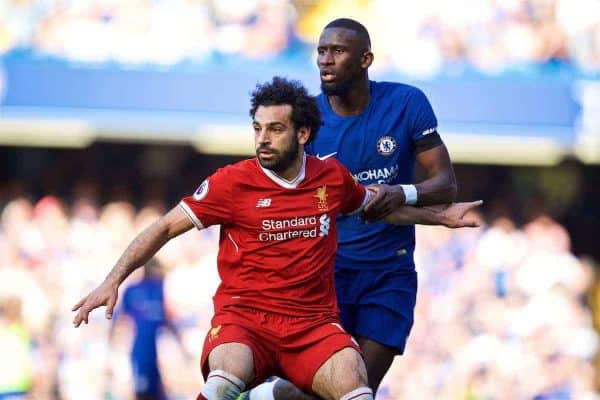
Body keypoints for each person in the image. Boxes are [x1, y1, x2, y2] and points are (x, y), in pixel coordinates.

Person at [72, 77, 479, 400]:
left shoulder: (331, 178)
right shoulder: (231, 183)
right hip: (245, 321)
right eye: (258, 128)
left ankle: (268, 395)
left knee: (357, 387)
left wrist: (441, 218)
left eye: (276, 129)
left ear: (303, 134)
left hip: (312, 326)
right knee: (224, 380)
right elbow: (162, 227)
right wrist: (112, 281)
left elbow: (378, 206)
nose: (263, 138)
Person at [246, 18, 460, 399]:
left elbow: (445, 184)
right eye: (322, 51)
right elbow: (280, 197)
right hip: (327, 276)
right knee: (338, 390)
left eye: (338, 51)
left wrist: (403, 193)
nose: (326, 60)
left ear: (365, 59)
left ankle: (268, 395)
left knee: (358, 389)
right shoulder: (305, 121)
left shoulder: (406, 103)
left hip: (389, 274)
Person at [107, 258, 187, 400]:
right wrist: (113, 343)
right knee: (143, 391)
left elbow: (168, 319)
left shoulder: (160, 288)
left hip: (157, 352)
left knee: (158, 390)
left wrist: (180, 343)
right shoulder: (133, 290)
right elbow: (118, 319)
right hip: (140, 351)